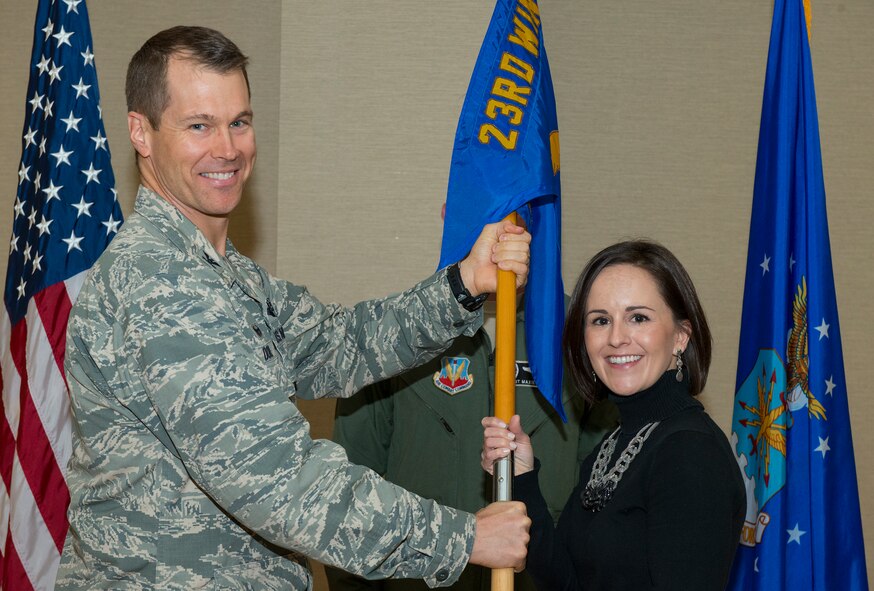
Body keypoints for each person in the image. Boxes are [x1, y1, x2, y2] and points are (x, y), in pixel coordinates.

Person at [56, 26, 533, 590]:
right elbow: (279, 481)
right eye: (198, 126)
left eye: (239, 121)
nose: (227, 148)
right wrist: (460, 538)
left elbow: (336, 344)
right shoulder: (160, 281)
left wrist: (462, 284)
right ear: (141, 131)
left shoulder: (225, 274)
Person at [481, 240, 745, 590]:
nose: (617, 338)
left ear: (681, 336)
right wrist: (523, 478)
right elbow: (567, 582)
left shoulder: (689, 451)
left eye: (638, 317)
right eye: (600, 320)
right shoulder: (611, 446)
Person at [324, 292, 619, 591]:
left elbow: (602, 494)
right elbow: (346, 489)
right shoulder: (402, 328)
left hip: (542, 576)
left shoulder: (580, 331)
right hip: (420, 578)